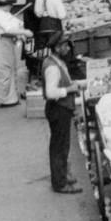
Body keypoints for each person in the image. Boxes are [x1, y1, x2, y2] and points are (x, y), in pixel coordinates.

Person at [41, 32, 83, 193]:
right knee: (59, 147)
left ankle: (63, 174)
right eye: (65, 45)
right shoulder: (52, 67)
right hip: (59, 110)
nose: (68, 48)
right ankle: (59, 183)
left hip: (61, 109)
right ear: (57, 48)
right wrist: (69, 89)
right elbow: (51, 93)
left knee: (63, 145)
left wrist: (76, 84)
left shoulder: (56, 61)